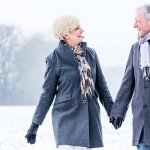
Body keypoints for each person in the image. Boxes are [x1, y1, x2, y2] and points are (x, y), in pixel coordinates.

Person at [25, 15, 113, 150]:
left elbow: (102, 87)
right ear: (66, 33)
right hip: (66, 119)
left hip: (90, 118)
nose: (82, 30)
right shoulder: (54, 58)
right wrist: (35, 125)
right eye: (77, 28)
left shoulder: (91, 54)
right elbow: (47, 93)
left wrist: (112, 112)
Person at [110, 4, 150, 150]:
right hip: (143, 123)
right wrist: (118, 111)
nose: (134, 25)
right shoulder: (136, 48)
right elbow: (128, 82)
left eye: (137, 21)